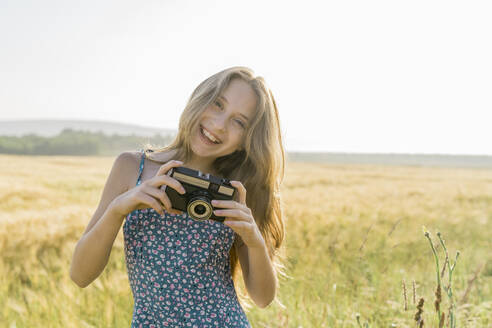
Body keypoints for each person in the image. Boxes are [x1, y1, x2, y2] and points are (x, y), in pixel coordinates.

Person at [70, 66, 286, 327]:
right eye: (217, 104)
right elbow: (80, 275)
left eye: (239, 122)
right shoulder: (132, 167)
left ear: (246, 140)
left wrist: (254, 240)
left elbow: (262, 298)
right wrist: (118, 209)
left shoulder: (236, 191)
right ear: (199, 98)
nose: (219, 125)